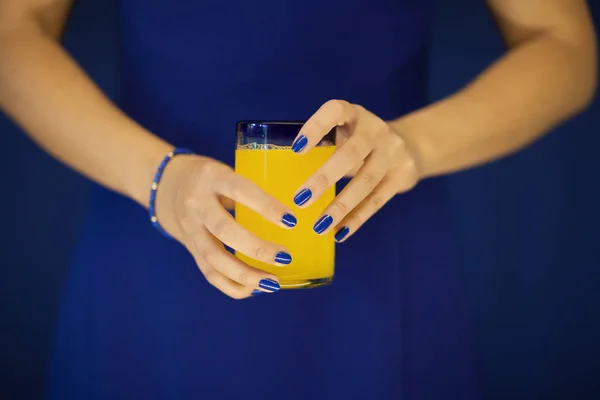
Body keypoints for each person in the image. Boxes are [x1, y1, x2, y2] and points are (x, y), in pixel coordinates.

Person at [0, 0, 596, 398]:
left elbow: (563, 42)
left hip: (376, 244)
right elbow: (12, 31)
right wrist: (159, 180)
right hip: (158, 239)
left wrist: (413, 145)